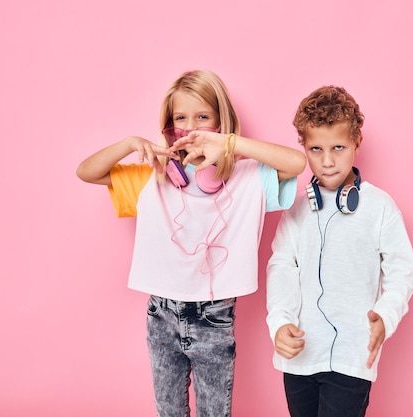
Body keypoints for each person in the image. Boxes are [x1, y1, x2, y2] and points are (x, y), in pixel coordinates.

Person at [76, 70, 306, 417]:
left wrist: (230, 145)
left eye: (202, 117)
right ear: (168, 126)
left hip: (214, 317)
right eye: (180, 118)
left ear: (220, 121)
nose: (189, 126)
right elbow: (87, 172)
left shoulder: (246, 178)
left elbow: (297, 163)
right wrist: (128, 143)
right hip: (161, 314)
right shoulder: (153, 179)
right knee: (168, 412)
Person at [266, 85, 413, 417]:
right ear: (303, 147)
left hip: (352, 356)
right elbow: (281, 267)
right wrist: (279, 323)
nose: (327, 160)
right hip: (300, 356)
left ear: (356, 144)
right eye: (316, 149)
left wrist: (386, 315)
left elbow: (403, 270)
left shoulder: (380, 207)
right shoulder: (295, 211)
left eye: (338, 147)